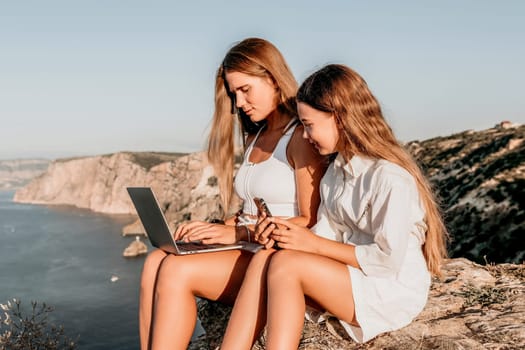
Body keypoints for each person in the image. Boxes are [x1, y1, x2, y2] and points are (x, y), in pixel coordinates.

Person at [138, 38, 327, 350]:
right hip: (248, 245)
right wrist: (214, 227)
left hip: (275, 257)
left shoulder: (300, 137)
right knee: (155, 260)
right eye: (233, 93)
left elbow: (311, 220)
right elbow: (250, 210)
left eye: (245, 90)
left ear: (272, 77)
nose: (239, 103)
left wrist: (237, 232)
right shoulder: (257, 135)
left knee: (175, 271)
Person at [248, 64, 448, 348]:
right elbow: (325, 237)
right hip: (354, 275)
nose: (304, 136)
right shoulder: (334, 174)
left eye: (309, 125)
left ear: (340, 119)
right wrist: (284, 235)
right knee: (267, 257)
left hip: (389, 288)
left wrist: (312, 246)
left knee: (286, 267)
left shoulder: (389, 178)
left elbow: (385, 260)